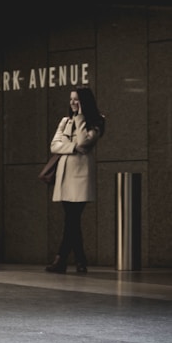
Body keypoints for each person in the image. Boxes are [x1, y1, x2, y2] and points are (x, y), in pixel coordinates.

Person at [45, 86, 105, 274]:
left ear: (84, 102)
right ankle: (79, 261)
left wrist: (80, 119)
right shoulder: (65, 121)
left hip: (80, 177)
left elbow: (84, 143)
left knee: (72, 219)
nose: (72, 103)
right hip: (64, 176)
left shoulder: (96, 121)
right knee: (72, 220)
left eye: (77, 99)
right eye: (71, 99)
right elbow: (54, 146)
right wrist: (72, 148)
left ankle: (61, 259)